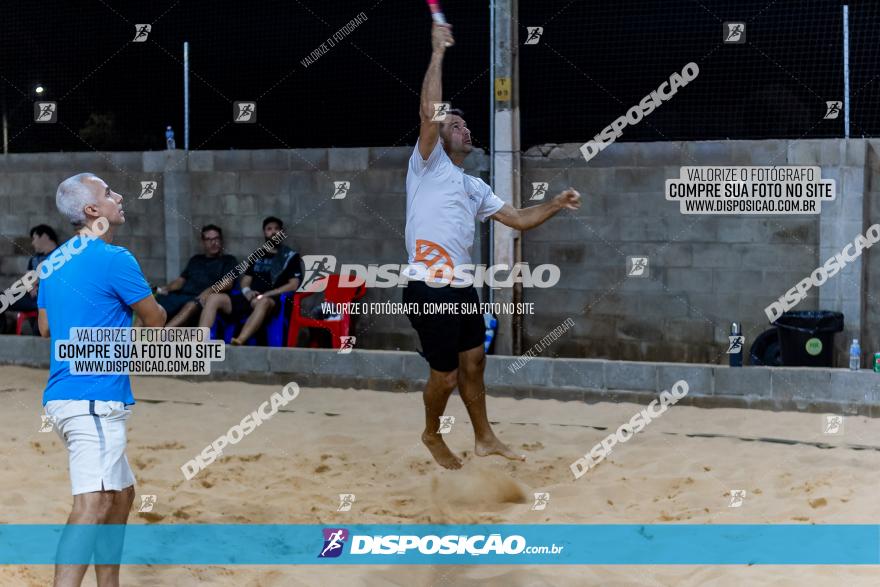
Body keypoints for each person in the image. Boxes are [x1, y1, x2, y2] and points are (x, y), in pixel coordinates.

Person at [403, 23, 581, 469]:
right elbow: (430, 112)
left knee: (476, 362)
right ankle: (431, 434)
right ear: (442, 137)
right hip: (428, 286)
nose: (464, 129)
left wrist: (556, 204)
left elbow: (518, 218)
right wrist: (438, 52)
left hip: (461, 287)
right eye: (456, 124)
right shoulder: (427, 165)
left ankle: (484, 437)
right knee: (443, 376)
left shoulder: (473, 185)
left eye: (464, 124)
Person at [39, 173, 166, 586]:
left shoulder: (53, 261)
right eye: (110, 193)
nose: (120, 196)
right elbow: (155, 319)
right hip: (91, 400)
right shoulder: (116, 259)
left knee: (122, 494)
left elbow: (45, 327)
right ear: (92, 211)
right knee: (91, 505)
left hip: (64, 398)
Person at [199, 216, 304, 345]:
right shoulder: (257, 255)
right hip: (249, 298)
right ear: (264, 233)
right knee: (214, 298)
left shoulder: (290, 256)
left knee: (263, 302)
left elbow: (294, 285)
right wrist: (247, 291)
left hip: (270, 300)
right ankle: (200, 340)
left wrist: (268, 294)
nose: (273, 232)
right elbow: (246, 280)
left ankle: (240, 340)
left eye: (277, 229)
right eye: (269, 229)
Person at [153, 224, 238, 327]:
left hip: (201, 298)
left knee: (191, 305)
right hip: (182, 295)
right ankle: (132, 336)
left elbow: (228, 283)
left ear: (221, 240)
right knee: (152, 303)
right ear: (203, 242)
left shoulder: (229, 260)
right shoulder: (195, 259)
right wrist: (166, 288)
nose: (213, 243)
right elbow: (180, 281)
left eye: (216, 238)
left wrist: (208, 292)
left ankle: (163, 334)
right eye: (208, 239)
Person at [1, 224, 59, 333]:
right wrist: (30, 287)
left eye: (34, 238)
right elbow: (28, 281)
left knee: (41, 328)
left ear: (44, 236)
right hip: (31, 298)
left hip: (49, 300)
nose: (32, 243)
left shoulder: (62, 255)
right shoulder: (34, 259)